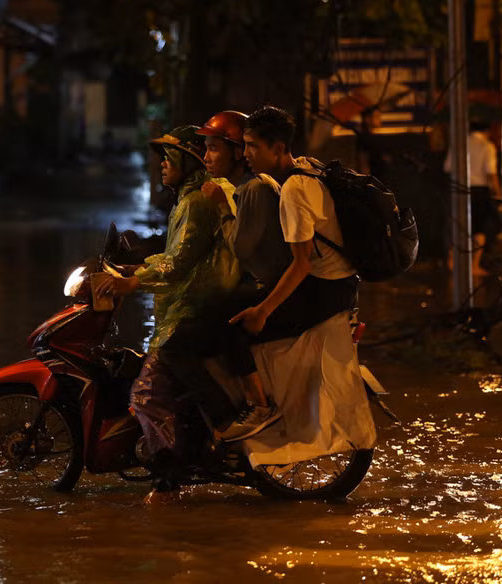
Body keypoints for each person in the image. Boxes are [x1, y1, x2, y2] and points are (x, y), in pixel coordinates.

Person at [93, 125, 239, 491]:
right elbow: (172, 253)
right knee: (170, 394)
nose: (161, 165)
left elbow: (178, 264)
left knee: (145, 396)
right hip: (184, 306)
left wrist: (133, 282)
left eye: (168, 158)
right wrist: (136, 268)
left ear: (187, 163)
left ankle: (169, 477)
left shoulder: (196, 202)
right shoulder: (186, 200)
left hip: (191, 309)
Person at [157, 110, 292, 442]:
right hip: (258, 284)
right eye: (205, 149)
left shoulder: (251, 189)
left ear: (236, 152)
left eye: (214, 148)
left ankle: (236, 415)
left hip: (264, 287)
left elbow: (241, 249)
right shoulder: (240, 189)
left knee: (178, 345)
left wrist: (220, 206)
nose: (207, 157)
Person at [228, 106, 359, 383]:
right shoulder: (309, 165)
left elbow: (302, 264)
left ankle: (257, 403)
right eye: (244, 145)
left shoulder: (293, 190)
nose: (245, 153)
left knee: (231, 325)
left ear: (278, 148)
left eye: (253, 146)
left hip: (325, 290)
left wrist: (262, 312)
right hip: (344, 284)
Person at [444, 121, 502, 274]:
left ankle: (452, 261)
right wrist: (498, 194)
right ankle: (474, 265)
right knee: (479, 229)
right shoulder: (487, 146)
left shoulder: (458, 145)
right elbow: (491, 173)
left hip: (458, 188)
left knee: (457, 225)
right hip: (479, 191)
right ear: (486, 131)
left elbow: (447, 167)